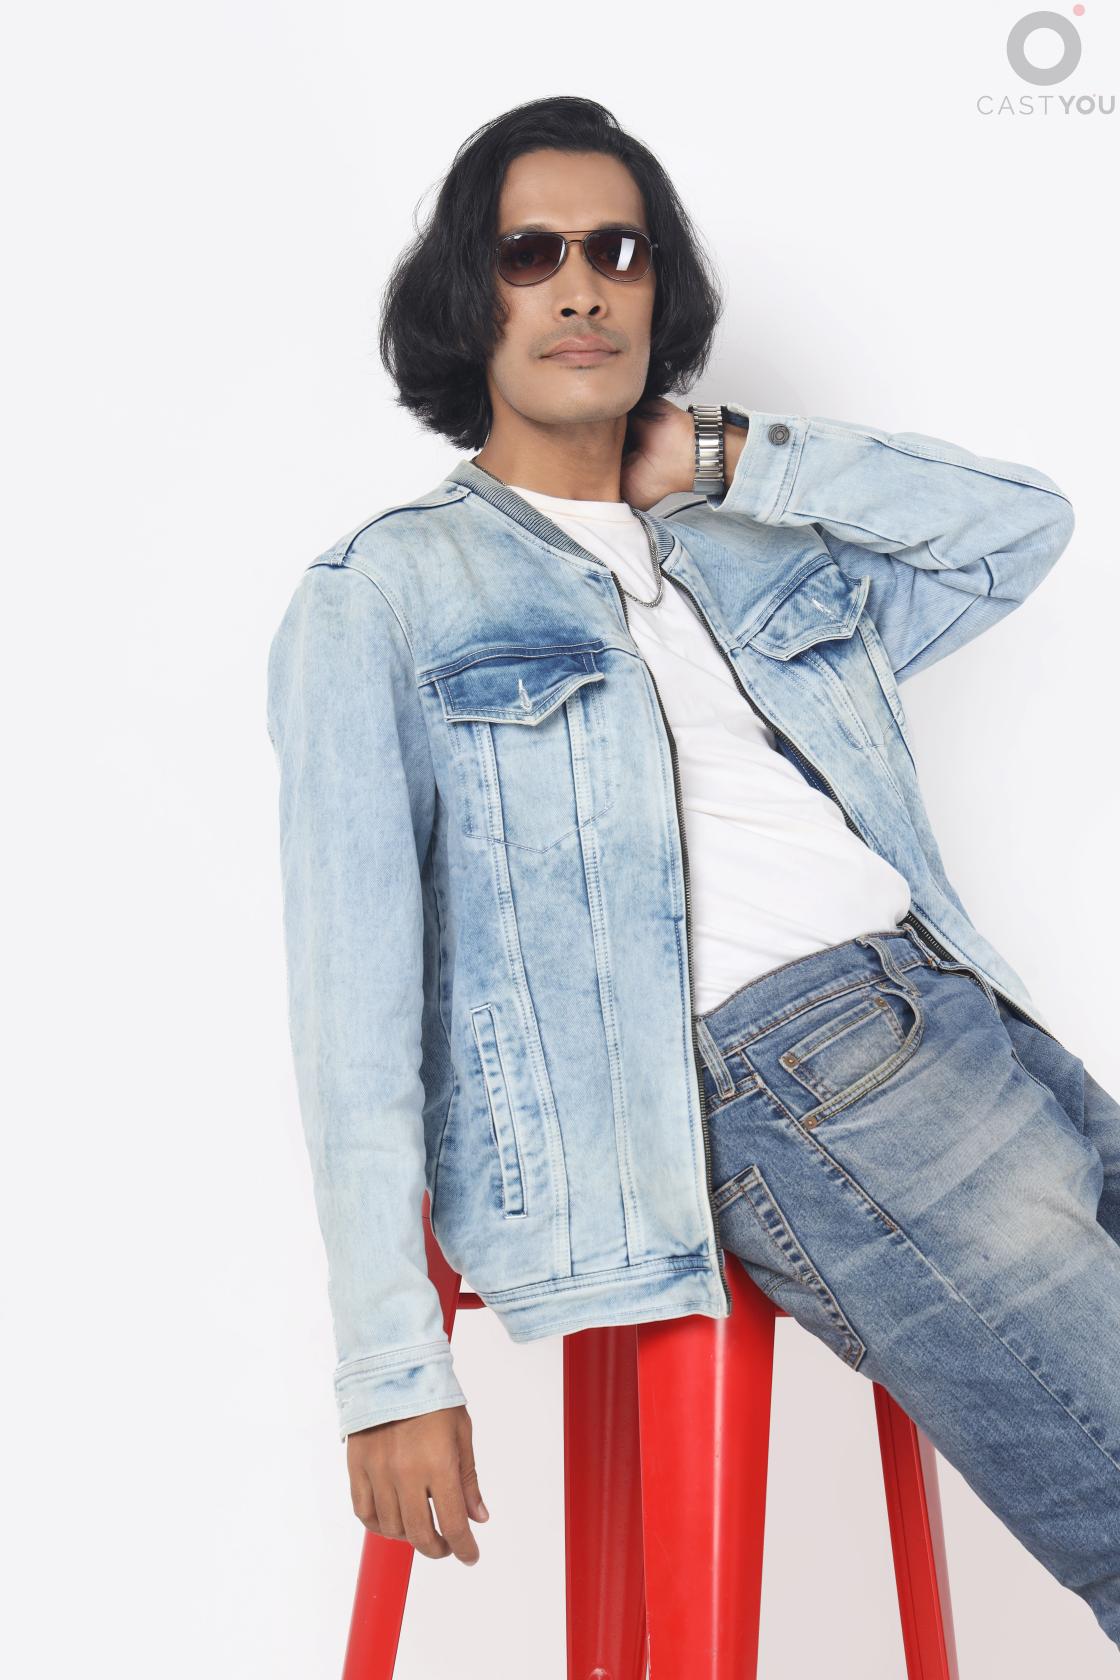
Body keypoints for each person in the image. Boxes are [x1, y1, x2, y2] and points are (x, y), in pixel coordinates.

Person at [266, 96, 1120, 1644]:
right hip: (790, 1071)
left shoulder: (740, 541)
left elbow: (1019, 531)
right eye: (531, 254)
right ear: (471, 294)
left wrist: (732, 455)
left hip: (968, 1015)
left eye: (619, 251)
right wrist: (389, 1365)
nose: (581, 287)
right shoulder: (385, 594)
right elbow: (352, 1002)